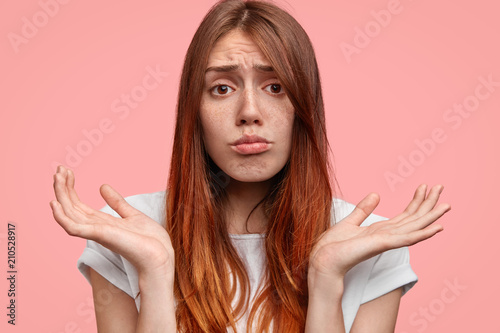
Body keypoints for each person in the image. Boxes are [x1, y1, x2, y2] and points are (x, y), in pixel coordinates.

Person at [50, 0, 451, 332]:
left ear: (304, 107)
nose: (249, 113)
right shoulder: (127, 234)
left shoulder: (370, 247)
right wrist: (155, 275)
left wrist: (326, 280)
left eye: (274, 87)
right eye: (221, 88)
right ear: (194, 110)